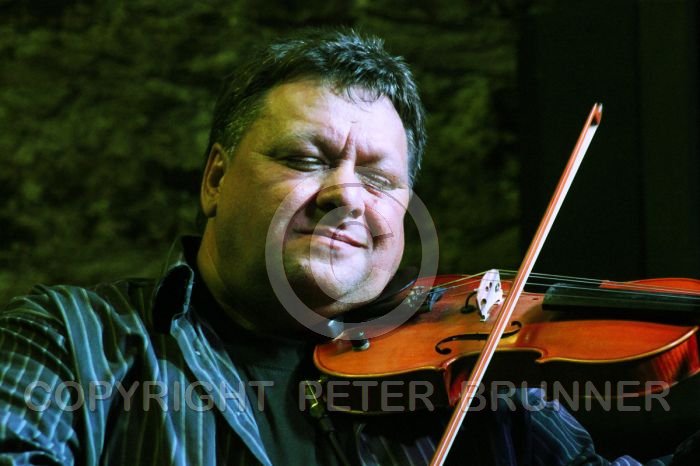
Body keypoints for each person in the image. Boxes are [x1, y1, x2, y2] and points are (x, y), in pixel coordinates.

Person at [0, 28, 685, 465]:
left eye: (380, 179)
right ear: (215, 179)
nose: (348, 196)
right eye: (306, 159)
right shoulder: (70, 339)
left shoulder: (472, 382)